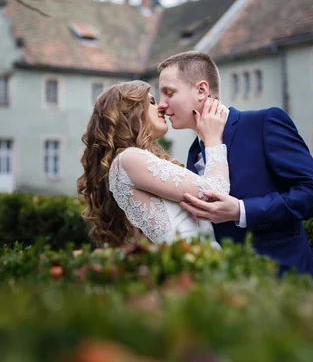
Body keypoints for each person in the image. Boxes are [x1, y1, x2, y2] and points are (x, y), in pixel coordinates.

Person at [157, 51, 313, 280]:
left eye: (169, 93)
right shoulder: (193, 154)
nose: (161, 105)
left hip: (287, 284)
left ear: (201, 90)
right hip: (235, 295)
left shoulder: (263, 124)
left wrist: (242, 210)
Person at [77, 80, 230, 249]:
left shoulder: (134, 160)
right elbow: (216, 191)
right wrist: (213, 139)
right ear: (128, 111)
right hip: (192, 259)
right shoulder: (129, 159)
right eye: (151, 102)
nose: (162, 108)